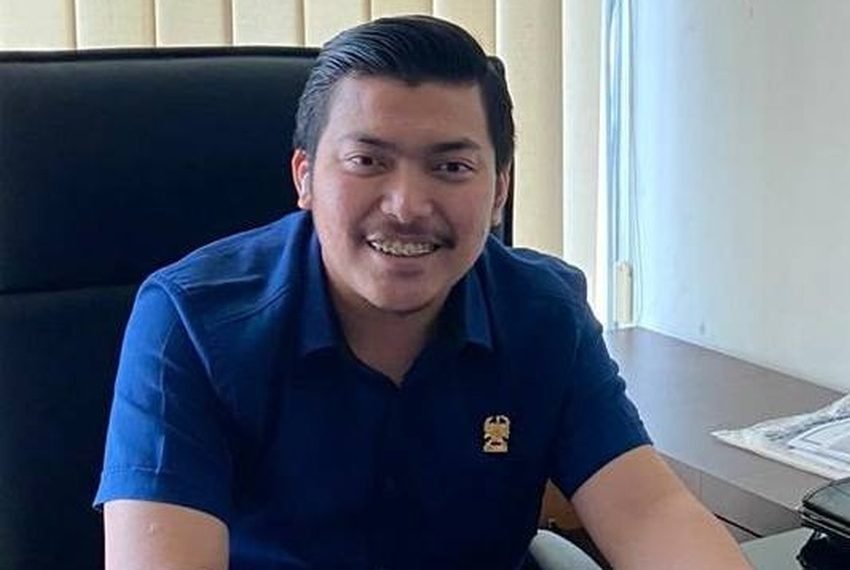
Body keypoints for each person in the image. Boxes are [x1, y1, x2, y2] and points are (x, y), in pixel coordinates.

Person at [94, 15, 753, 570]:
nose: (407, 206)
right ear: (305, 177)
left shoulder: (543, 313)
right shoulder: (191, 321)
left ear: (498, 191)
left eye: (451, 166)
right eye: (368, 161)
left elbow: (649, 512)